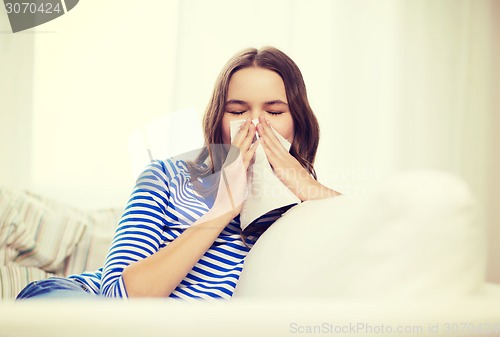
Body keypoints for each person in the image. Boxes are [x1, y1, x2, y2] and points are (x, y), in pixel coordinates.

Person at [16, 46, 340, 300]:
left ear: (298, 125)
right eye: (238, 111)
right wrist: (222, 208)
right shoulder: (167, 176)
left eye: (274, 111)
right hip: (76, 302)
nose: (256, 125)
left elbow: (372, 232)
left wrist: (303, 184)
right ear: (218, 120)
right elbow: (115, 300)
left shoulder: (304, 212)